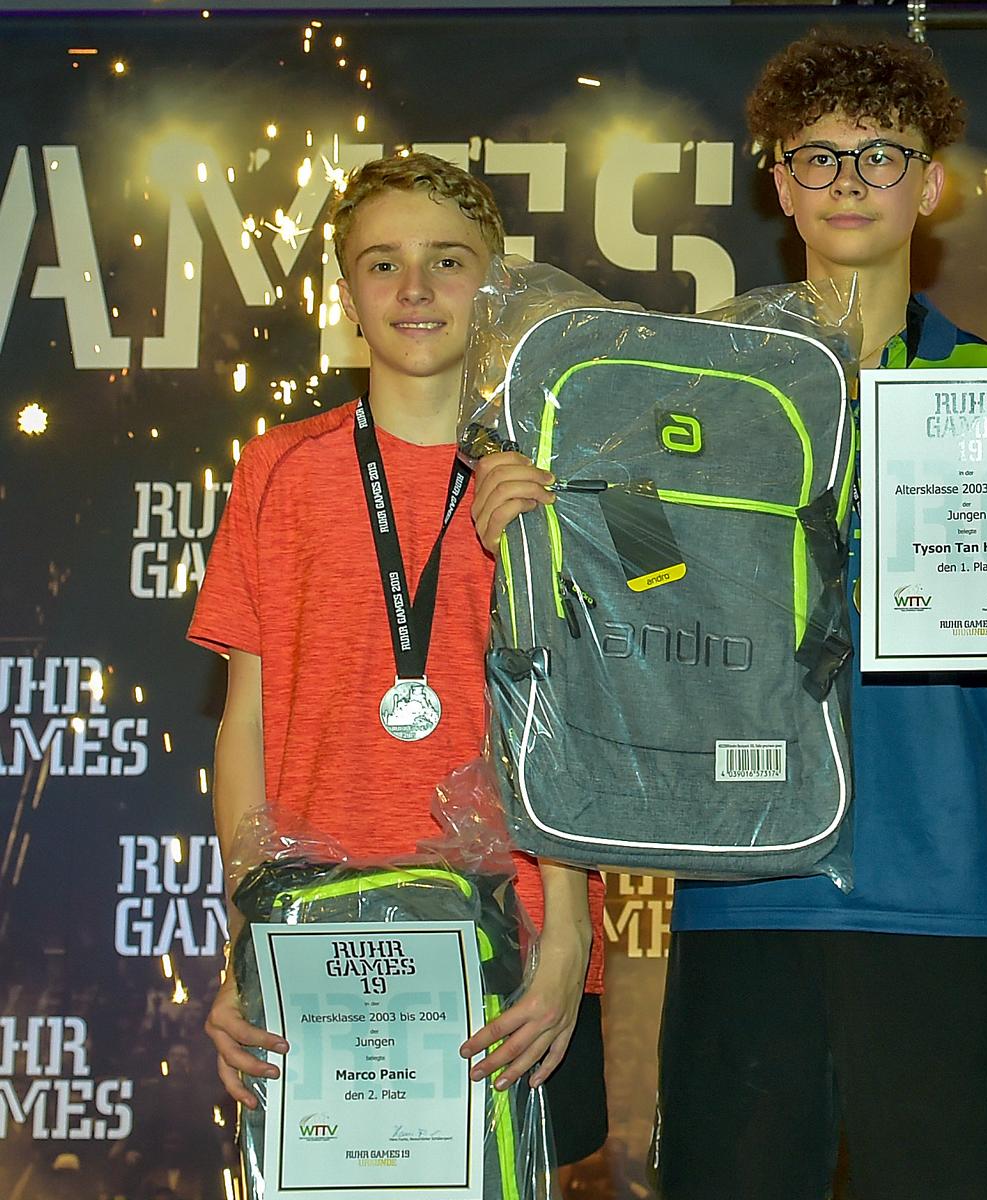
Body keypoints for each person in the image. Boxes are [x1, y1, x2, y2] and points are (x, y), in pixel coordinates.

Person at [475, 29, 987, 1200]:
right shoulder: (699, 381)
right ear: (778, 183)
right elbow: (651, 590)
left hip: (937, 889)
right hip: (744, 877)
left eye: (880, 155)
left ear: (930, 182)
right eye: (816, 157)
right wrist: (555, 518)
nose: (849, 182)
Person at [190, 153, 608, 1166]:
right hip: (315, 940)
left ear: (494, 286)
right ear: (347, 296)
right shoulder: (278, 470)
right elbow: (245, 722)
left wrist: (568, 941)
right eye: (383, 264)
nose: (414, 289)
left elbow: (585, 725)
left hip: (514, 940)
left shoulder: (553, 477)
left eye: (447, 261)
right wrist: (246, 938)